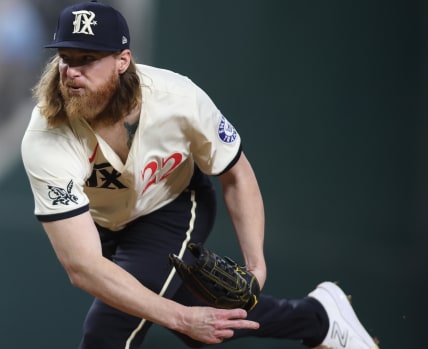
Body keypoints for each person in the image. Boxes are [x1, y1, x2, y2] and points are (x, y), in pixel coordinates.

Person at [20, 1, 379, 348]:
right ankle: (320, 318)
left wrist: (256, 266)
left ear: (122, 61)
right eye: (66, 58)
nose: (72, 70)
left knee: (107, 330)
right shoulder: (46, 135)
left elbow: (236, 173)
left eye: (89, 58)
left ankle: (319, 318)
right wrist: (181, 318)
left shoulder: (177, 98)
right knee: (199, 321)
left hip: (173, 207)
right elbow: (83, 265)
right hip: (105, 224)